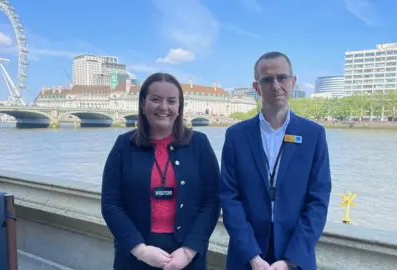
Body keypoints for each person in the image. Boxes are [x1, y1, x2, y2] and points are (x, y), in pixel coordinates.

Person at [219, 52, 332, 270]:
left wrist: (291, 260)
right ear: (256, 87)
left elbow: (318, 201)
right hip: (247, 255)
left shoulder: (313, 135)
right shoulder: (236, 136)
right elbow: (229, 197)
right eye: (267, 79)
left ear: (293, 81)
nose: (275, 85)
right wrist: (252, 255)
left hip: (295, 255)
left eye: (282, 77)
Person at [101, 72, 221, 270]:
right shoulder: (124, 145)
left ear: (179, 106)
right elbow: (111, 203)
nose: (164, 107)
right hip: (134, 257)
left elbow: (212, 201)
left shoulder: (199, 144)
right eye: (155, 99)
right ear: (142, 103)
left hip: (186, 258)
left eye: (171, 101)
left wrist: (189, 250)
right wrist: (140, 250)